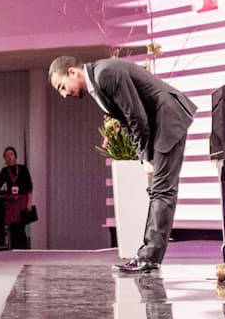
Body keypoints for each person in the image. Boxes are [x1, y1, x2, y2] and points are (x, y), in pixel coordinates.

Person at [49, 56, 197, 274]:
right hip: (158, 123)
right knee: (157, 190)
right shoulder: (98, 80)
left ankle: (149, 257)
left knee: (162, 190)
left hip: (168, 118)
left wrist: (146, 157)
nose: (63, 94)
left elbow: (136, 117)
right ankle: (148, 255)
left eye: (62, 86)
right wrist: (143, 156)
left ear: (72, 72)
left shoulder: (104, 74)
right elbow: (127, 122)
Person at [0, 146, 34, 250]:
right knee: (12, 227)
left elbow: (29, 186)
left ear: (15, 157)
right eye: (7, 155)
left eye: (11, 154)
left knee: (22, 227)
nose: (9, 157)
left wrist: (29, 202)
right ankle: (14, 251)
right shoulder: (4, 171)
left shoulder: (23, 168)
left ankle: (23, 251)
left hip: (22, 200)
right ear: (4, 158)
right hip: (11, 202)